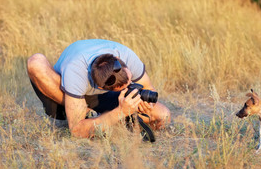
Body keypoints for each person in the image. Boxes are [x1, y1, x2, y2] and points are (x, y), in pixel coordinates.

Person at [27, 39, 171, 138]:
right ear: (101, 87)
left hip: (105, 99)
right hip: (68, 96)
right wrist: (120, 112)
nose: (130, 89)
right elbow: (76, 132)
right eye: (124, 88)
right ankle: (92, 116)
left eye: (130, 84)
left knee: (163, 115)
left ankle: (99, 120)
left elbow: (149, 89)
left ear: (123, 63)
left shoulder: (126, 55)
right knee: (36, 62)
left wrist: (146, 104)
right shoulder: (76, 72)